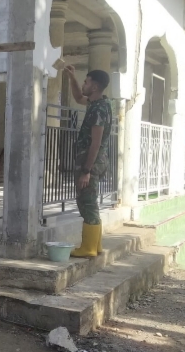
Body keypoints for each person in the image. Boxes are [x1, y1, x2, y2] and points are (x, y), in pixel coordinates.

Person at [64, 66, 112, 258]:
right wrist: (72, 77)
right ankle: (96, 246)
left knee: (86, 202)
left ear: (95, 86)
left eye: (86, 82)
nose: (84, 84)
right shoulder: (99, 103)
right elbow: (78, 98)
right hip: (96, 161)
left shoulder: (98, 109)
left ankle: (88, 248)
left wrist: (86, 170)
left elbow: (96, 142)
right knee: (90, 201)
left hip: (91, 161)